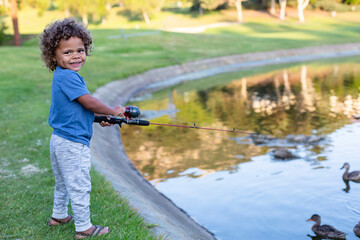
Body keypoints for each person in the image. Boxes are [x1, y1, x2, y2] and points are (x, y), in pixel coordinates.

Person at [39, 18, 124, 239]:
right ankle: (84, 228)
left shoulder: (62, 76)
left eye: (80, 50)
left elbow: (77, 111)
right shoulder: (69, 77)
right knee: (79, 185)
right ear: (53, 56)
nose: (76, 55)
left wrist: (102, 117)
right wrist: (113, 110)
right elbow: (88, 102)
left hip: (59, 139)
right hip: (73, 143)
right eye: (67, 52)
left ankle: (58, 216)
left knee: (63, 183)